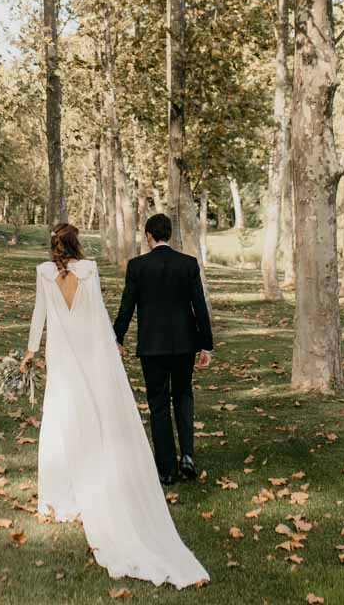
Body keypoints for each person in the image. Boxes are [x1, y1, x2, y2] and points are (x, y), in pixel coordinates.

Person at [22, 223, 209, 588]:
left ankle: (66, 494)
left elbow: (39, 315)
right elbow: (98, 317)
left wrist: (30, 352)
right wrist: (110, 347)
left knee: (65, 416)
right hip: (95, 355)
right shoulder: (90, 270)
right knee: (177, 399)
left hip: (64, 357)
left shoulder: (45, 273)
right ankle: (182, 456)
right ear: (78, 244)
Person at [112, 213, 214, 484]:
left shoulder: (137, 266)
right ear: (169, 234)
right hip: (184, 345)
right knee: (183, 397)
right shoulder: (188, 264)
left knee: (158, 404)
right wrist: (206, 345)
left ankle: (167, 469)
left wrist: (117, 337)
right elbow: (200, 307)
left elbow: (127, 307)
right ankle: (188, 457)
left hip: (152, 346)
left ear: (148, 236)